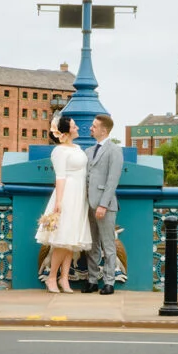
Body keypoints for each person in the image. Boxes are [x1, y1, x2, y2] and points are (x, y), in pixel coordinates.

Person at [35, 115, 93, 293]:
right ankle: (52, 277)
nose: (77, 128)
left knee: (72, 240)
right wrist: (59, 201)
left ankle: (64, 278)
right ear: (66, 131)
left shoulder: (77, 148)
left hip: (79, 196)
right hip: (67, 196)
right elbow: (60, 177)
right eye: (74, 126)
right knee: (62, 240)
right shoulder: (59, 151)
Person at [84, 114, 123, 295]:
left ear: (103, 130)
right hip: (88, 204)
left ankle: (109, 282)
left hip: (105, 206)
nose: (91, 128)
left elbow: (112, 180)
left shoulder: (114, 150)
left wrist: (103, 205)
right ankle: (92, 280)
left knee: (108, 245)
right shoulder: (89, 151)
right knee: (91, 245)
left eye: (94, 126)